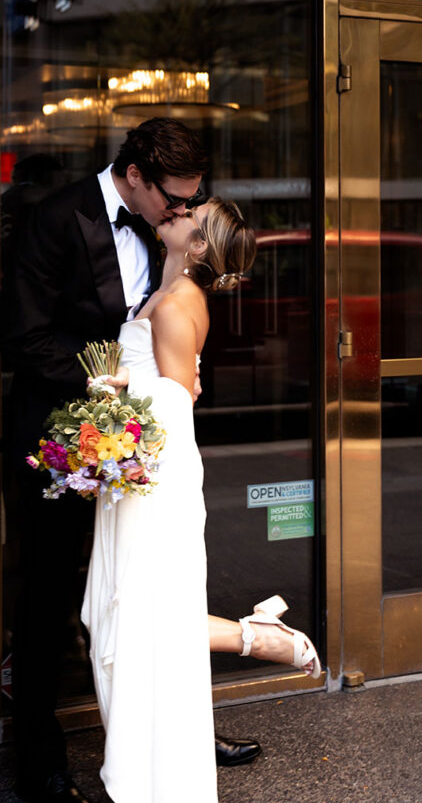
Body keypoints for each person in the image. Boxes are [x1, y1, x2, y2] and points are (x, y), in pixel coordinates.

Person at [4, 119, 259, 803]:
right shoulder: (55, 217)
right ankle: (40, 766)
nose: (180, 211)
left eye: (190, 201)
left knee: (147, 591)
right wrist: (99, 389)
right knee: (50, 602)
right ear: (138, 178)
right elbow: (24, 335)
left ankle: (175, 738)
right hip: (61, 440)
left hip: (143, 446)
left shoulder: (166, 231)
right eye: (173, 199)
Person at [81, 197, 321, 802]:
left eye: (192, 211)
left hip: (155, 474)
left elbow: (173, 405)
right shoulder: (167, 297)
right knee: (120, 611)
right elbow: (176, 384)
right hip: (141, 470)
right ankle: (254, 639)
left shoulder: (177, 305)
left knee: (139, 613)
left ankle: (263, 641)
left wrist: (125, 387)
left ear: (198, 246)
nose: (179, 209)